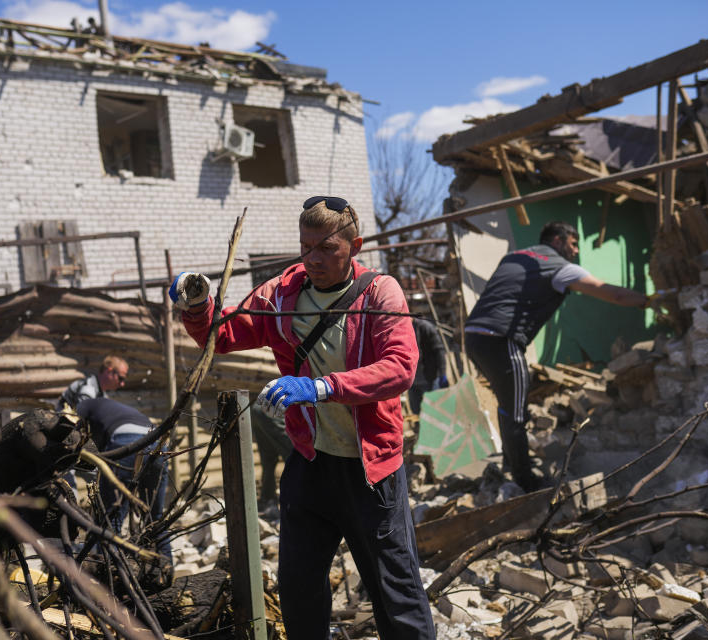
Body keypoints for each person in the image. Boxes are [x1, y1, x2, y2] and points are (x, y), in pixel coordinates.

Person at [169, 196, 436, 640]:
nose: (312, 259)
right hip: (311, 463)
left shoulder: (379, 293)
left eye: (326, 248)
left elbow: (400, 367)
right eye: (305, 247)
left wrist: (322, 387)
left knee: (395, 593)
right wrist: (198, 306)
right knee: (299, 589)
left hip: (370, 470)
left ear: (355, 245)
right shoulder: (282, 293)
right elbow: (226, 332)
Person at [464, 221, 650, 492]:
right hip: (501, 339)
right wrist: (648, 301)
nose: (575, 251)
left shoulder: (516, 256)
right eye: (573, 244)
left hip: (474, 335)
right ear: (557, 240)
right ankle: (527, 483)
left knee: (508, 404)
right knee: (515, 411)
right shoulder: (559, 267)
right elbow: (614, 294)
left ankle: (510, 464)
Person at [76, 396, 172, 562]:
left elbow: (84, 442)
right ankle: (165, 568)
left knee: (111, 520)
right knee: (155, 518)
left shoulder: (82, 407)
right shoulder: (117, 409)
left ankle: (108, 572)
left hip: (126, 442)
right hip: (157, 443)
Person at [57, 355, 129, 411]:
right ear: (108, 371)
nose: (122, 384)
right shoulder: (88, 389)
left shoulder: (101, 393)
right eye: (120, 378)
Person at [408, 317, 448, 416]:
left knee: (434, 413)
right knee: (417, 413)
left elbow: (439, 351)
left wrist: (442, 373)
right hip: (412, 381)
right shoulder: (402, 330)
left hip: (429, 378)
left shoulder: (425, 327)